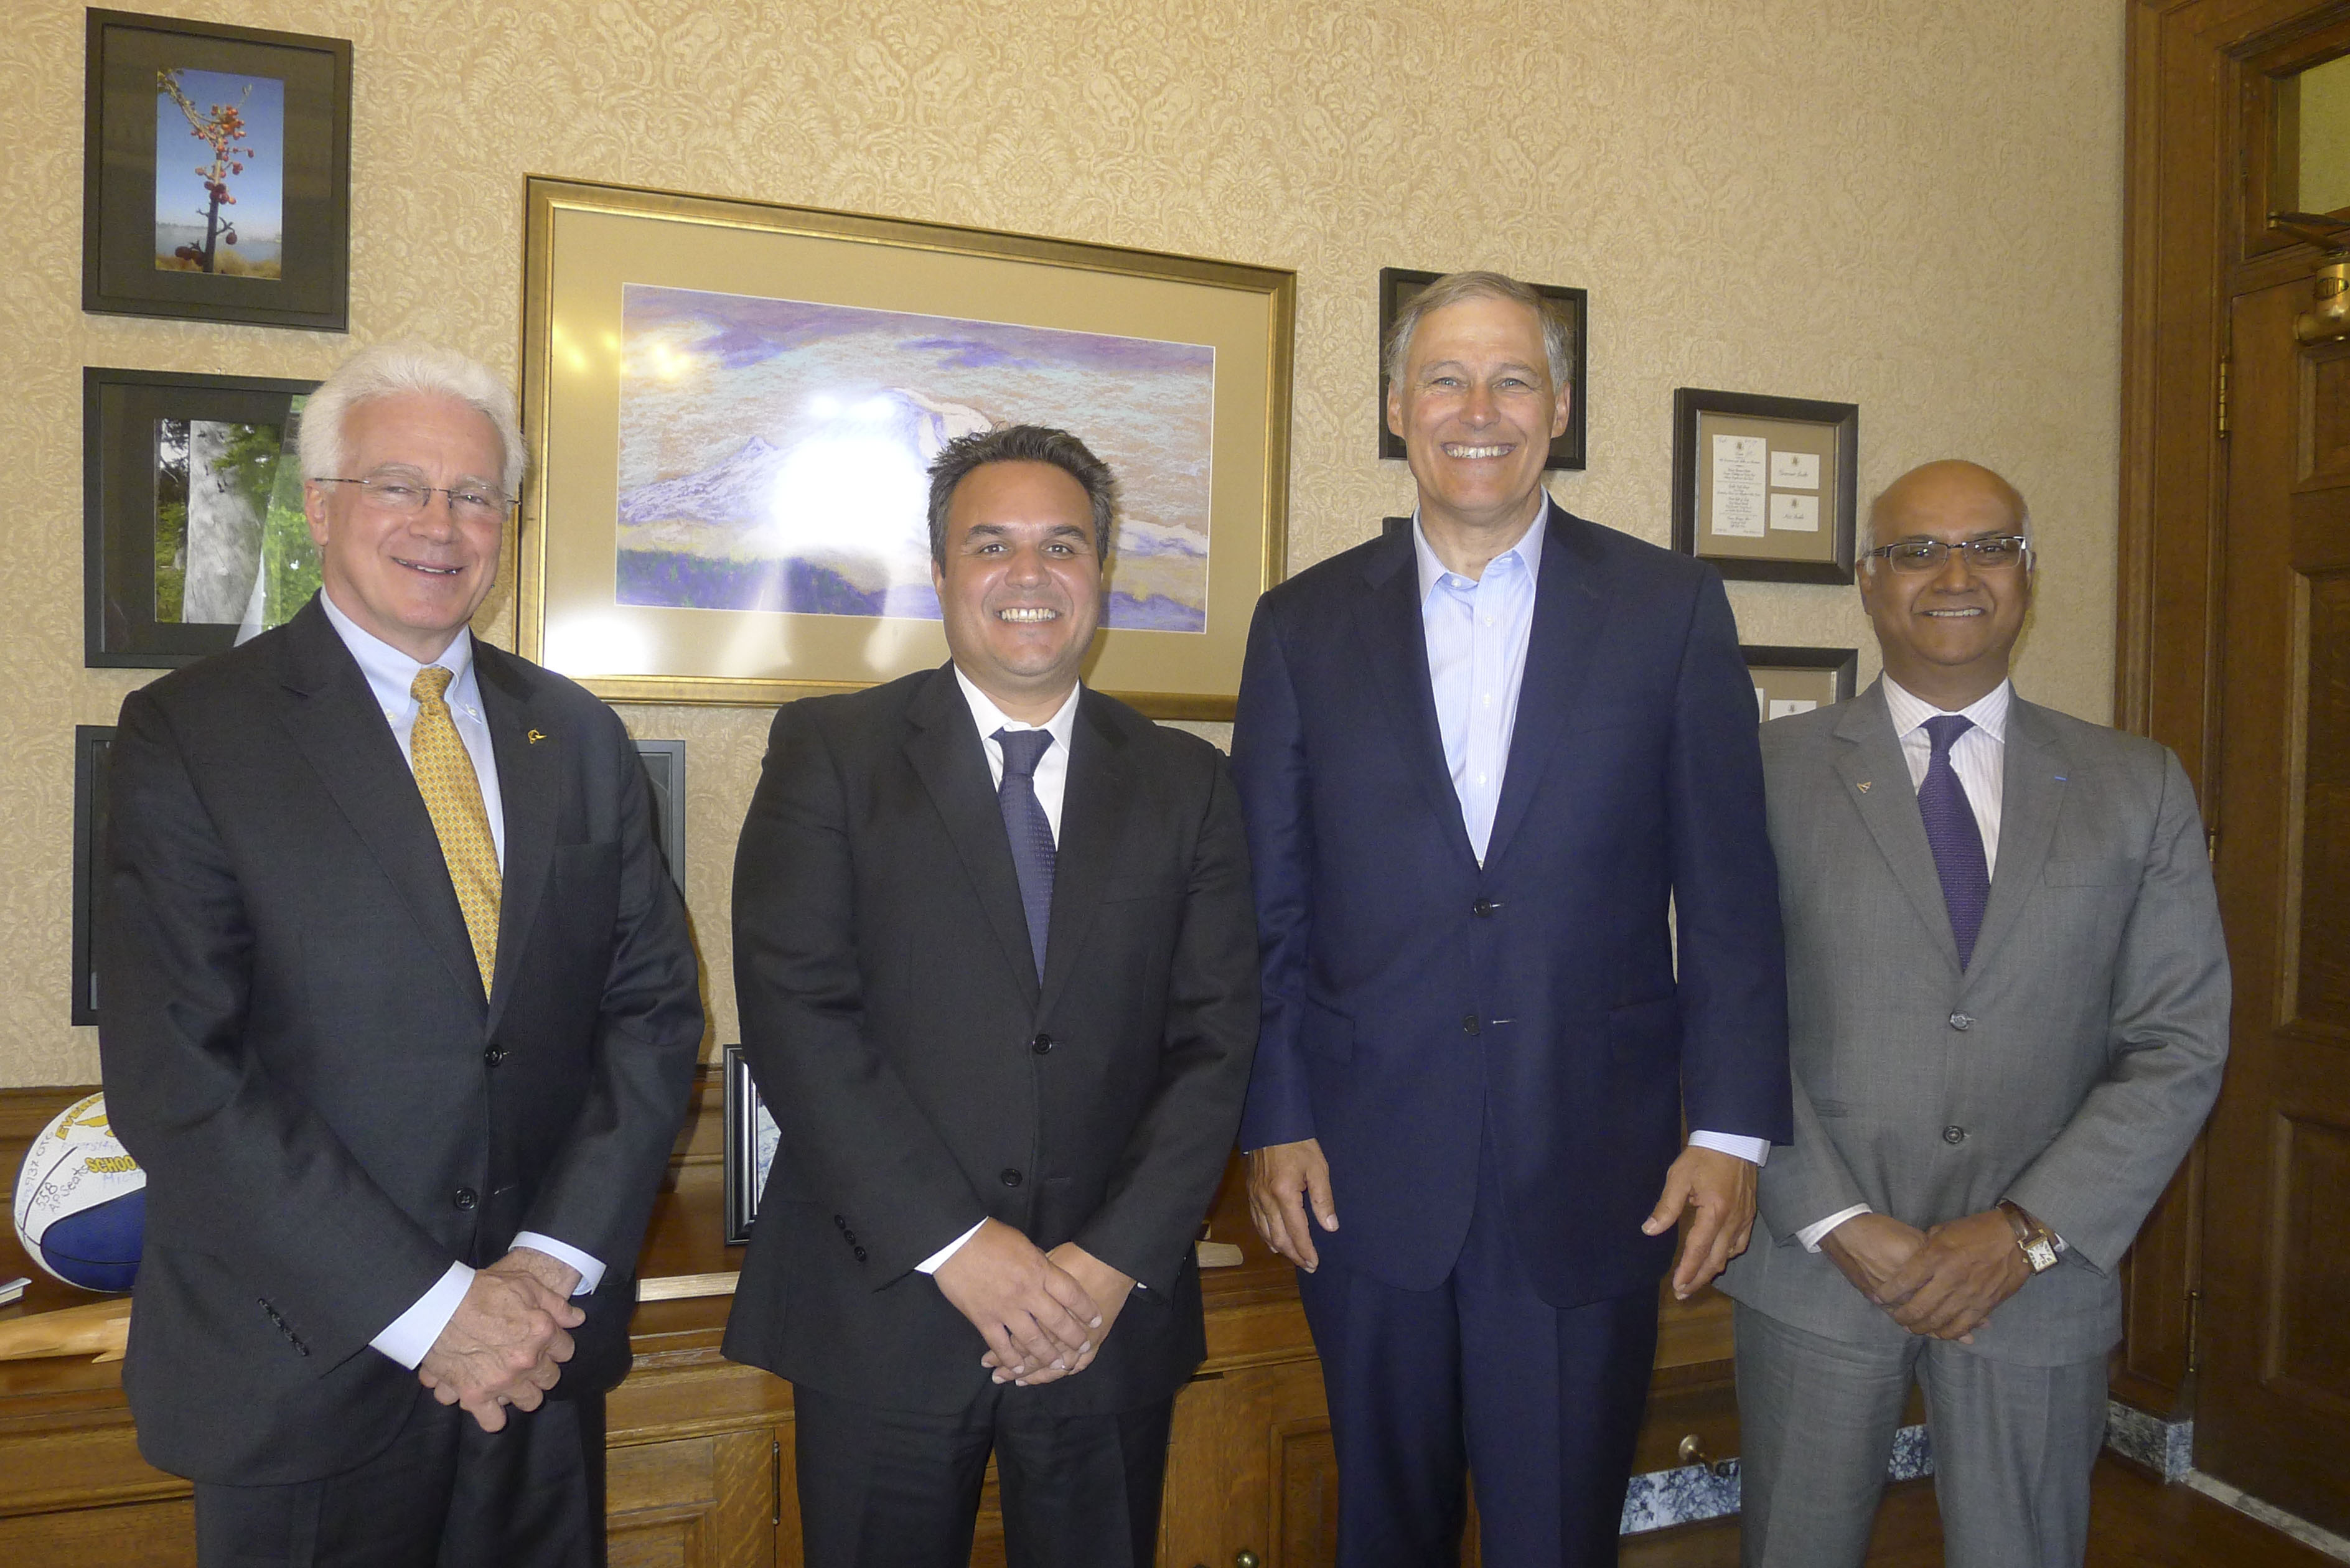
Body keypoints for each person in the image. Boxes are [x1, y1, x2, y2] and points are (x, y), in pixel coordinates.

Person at [100, 341, 706, 1567]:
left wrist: (543, 1270)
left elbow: (652, 1022)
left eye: (475, 494)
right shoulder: (192, 733)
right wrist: (434, 1314)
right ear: (322, 506)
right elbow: (181, 1077)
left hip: (538, 1358)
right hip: (305, 1370)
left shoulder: (579, 737)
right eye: (399, 485)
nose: (441, 523)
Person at [1234, 271, 1792, 1566]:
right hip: (1358, 1177)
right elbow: (1264, 902)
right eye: (1443, 377)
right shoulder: (1301, 626)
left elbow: (1726, 898)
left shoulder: (1668, 612)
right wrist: (1275, 1117)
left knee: (1558, 1535)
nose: (1475, 409)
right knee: (1388, 1532)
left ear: (1559, 409)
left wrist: (1728, 1133)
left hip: (1592, 1167)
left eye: (1511, 379)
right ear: (1393, 406)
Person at [723, 424, 1258, 1567]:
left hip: (1103, 1320)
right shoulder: (832, 750)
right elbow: (796, 1017)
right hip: (887, 1309)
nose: (1029, 577)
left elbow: (1216, 1039)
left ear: (1101, 576)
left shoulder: (1188, 782)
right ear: (941, 573)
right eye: (991, 545)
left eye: (1062, 546)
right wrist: (959, 1246)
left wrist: (1109, 1261)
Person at [1718, 459, 2231, 1568]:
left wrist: (2030, 1230)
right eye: (1917, 550)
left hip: (2035, 1282)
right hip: (1817, 1264)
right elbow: (1715, 1010)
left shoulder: (2137, 786)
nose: (1956, 574)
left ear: (2028, 577)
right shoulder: (1762, 770)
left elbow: (2178, 1041)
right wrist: (1831, 1218)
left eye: (1990, 546)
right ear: (1867, 579)